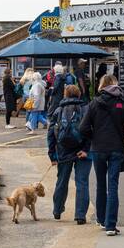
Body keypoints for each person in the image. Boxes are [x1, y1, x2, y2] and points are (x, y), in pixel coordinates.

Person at [80, 72, 124, 236]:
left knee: (100, 184)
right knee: (113, 185)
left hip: (98, 149)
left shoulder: (94, 103)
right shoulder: (122, 102)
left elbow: (83, 128)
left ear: (101, 85)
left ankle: (101, 219)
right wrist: (122, 137)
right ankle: (111, 225)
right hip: (116, 149)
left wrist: (94, 138)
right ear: (114, 84)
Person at [47, 84, 91, 224]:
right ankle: (80, 215)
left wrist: (52, 155)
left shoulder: (58, 111)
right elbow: (92, 131)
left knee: (62, 181)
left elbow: (51, 135)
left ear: (65, 95)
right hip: (82, 151)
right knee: (82, 182)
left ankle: (57, 210)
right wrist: (86, 149)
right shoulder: (86, 109)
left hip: (63, 150)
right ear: (79, 95)